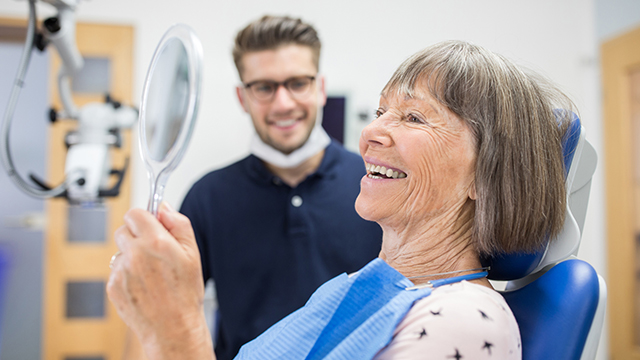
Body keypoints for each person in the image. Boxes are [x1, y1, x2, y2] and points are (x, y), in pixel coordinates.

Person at [108, 40, 573, 359]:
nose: (370, 133)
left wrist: (176, 336)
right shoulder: (366, 288)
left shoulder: (464, 322)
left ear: (487, 174)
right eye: (379, 112)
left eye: (413, 116)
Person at [160, 15, 381, 360]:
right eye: (263, 87)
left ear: (320, 88)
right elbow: (173, 314)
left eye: (297, 83)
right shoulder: (207, 197)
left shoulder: (375, 183)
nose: (283, 103)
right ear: (242, 97)